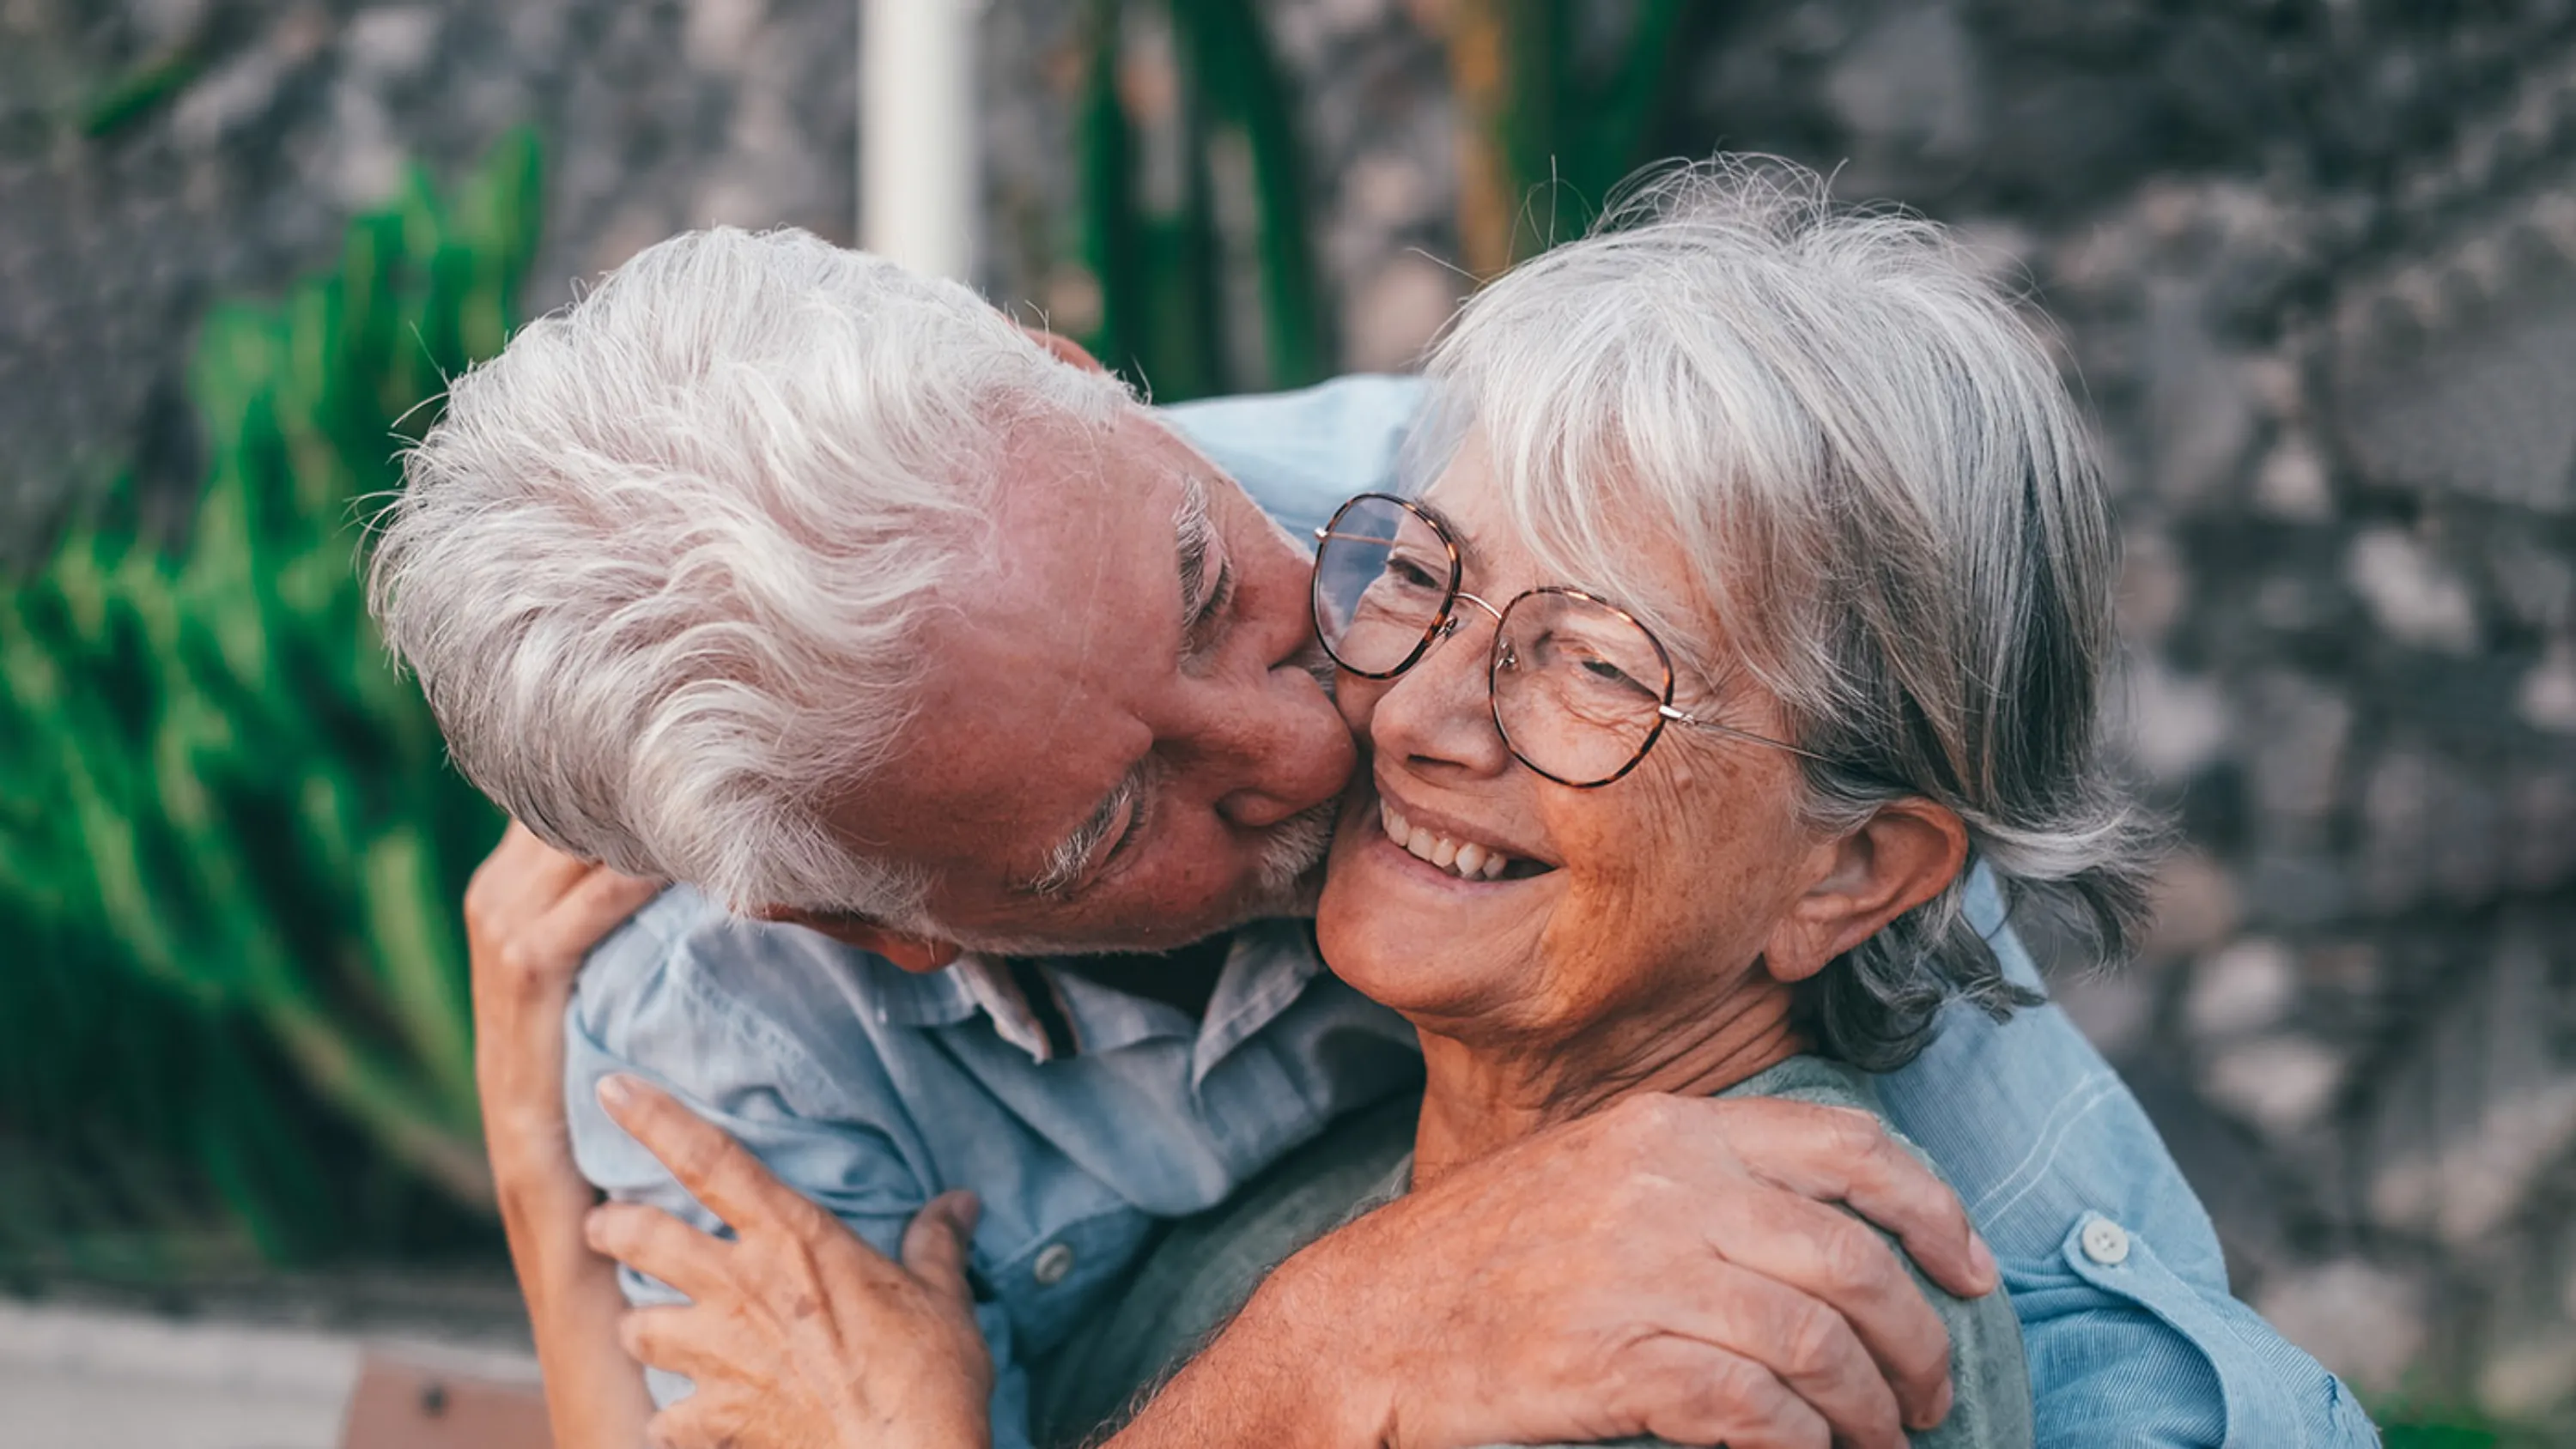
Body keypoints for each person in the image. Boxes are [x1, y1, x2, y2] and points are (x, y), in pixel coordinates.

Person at [375, 166, 2381, 1449]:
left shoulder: (1502, 490)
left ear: (1077, 378)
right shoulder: (724, 1021)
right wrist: (1336, 1347)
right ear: (875, 918)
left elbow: (2097, 1323)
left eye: (1589, 662)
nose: (1362, 718)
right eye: (1106, 820)